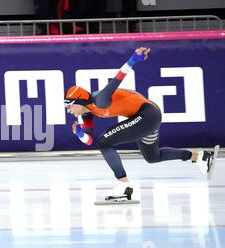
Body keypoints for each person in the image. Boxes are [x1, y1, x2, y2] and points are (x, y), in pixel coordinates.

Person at [64, 47, 218, 202]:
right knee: (153, 156)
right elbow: (89, 140)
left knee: (104, 141)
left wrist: (134, 59)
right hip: (147, 117)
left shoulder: (100, 100)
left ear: (80, 101)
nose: (69, 110)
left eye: (69, 105)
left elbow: (117, 79)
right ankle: (200, 157)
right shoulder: (86, 113)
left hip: (147, 114)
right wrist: (80, 134)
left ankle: (124, 186)